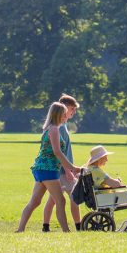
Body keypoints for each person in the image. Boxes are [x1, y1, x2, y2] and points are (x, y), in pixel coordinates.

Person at [15, 98, 83, 233]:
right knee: (61, 201)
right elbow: (57, 152)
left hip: (42, 169)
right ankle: (66, 231)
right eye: (64, 113)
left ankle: (20, 229)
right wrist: (72, 168)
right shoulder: (54, 129)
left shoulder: (49, 128)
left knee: (35, 202)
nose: (66, 116)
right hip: (48, 170)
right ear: (58, 115)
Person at [41, 94, 83, 232]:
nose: (73, 112)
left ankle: (45, 227)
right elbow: (59, 152)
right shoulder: (60, 128)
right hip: (63, 171)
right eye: (72, 109)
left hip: (60, 170)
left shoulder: (61, 126)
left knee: (52, 200)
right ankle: (79, 227)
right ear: (64, 107)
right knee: (75, 197)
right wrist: (68, 171)